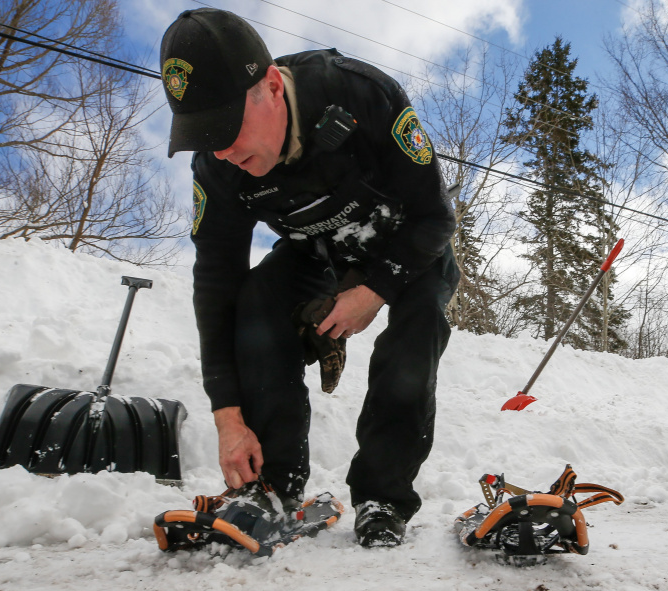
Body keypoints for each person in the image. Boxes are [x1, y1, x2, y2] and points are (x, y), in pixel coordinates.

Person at [158, 9, 459, 547]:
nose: (222, 150)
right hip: (312, 250)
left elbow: (435, 217)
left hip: (403, 241)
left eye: (226, 128)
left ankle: (383, 499)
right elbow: (215, 286)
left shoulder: (362, 96)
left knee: (417, 328)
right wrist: (227, 414)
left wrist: (373, 290)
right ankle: (273, 487)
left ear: (271, 86)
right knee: (254, 303)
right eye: (206, 136)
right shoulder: (219, 167)